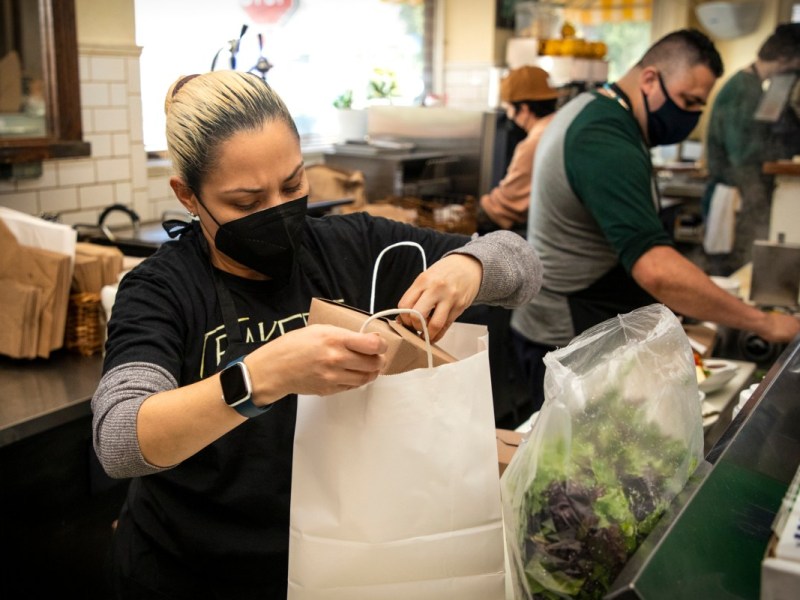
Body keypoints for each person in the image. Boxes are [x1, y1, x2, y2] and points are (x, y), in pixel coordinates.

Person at [91, 70, 542, 599]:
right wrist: (260, 377)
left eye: (292, 184)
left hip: (345, 560)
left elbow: (523, 263)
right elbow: (120, 440)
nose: (277, 212)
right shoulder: (162, 289)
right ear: (188, 196)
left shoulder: (352, 246)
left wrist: (470, 264)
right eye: (245, 202)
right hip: (194, 573)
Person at [511, 28, 800, 415]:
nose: (692, 116)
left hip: (585, 322)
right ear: (650, 79)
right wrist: (763, 323)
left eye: (700, 106)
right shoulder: (602, 136)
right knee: (581, 467)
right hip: (570, 338)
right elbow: (657, 270)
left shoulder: (602, 113)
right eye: (688, 101)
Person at [703, 23, 800, 275]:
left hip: (744, 194)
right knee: (729, 272)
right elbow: (743, 154)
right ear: (785, 58)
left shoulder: (755, 86)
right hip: (735, 196)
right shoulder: (743, 90)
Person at [477, 65, 559, 236]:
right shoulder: (559, 126)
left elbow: (508, 202)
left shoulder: (535, 143)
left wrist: (474, 212)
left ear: (524, 108)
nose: (508, 115)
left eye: (508, 108)